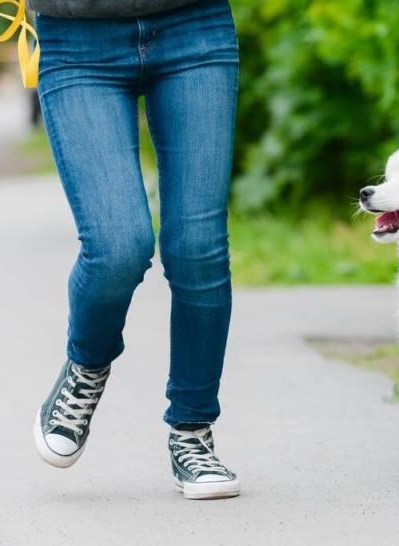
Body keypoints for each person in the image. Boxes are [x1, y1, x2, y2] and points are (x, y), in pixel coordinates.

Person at [28, 0, 240, 500]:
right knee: (116, 246)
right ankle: (86, 366)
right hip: (76, 38)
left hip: (195, 26)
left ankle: (192, 433)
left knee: (198, 248)